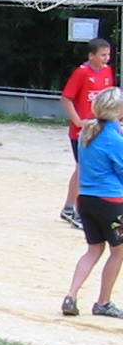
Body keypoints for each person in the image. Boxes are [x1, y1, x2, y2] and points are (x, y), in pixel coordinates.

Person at [61, 87, 123, 319]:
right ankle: (103, 302)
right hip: (111, 202)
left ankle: (71, 294)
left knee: (93, 250)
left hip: (86, 200)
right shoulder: (114, 139)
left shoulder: (87, 132)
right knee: (118, 252)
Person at [62, 38, 114, 229]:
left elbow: (108, 100)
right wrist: (77, 121)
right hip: (82, 131)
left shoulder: (107, 71)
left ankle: (91, 208)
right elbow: (66, 98)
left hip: (101, 128)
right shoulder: (82, 72)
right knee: (82, 168)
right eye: (102, 55)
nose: (106, 58)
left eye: (108, 54)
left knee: (98, 168)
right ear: (91, 55)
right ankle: (70, 208)